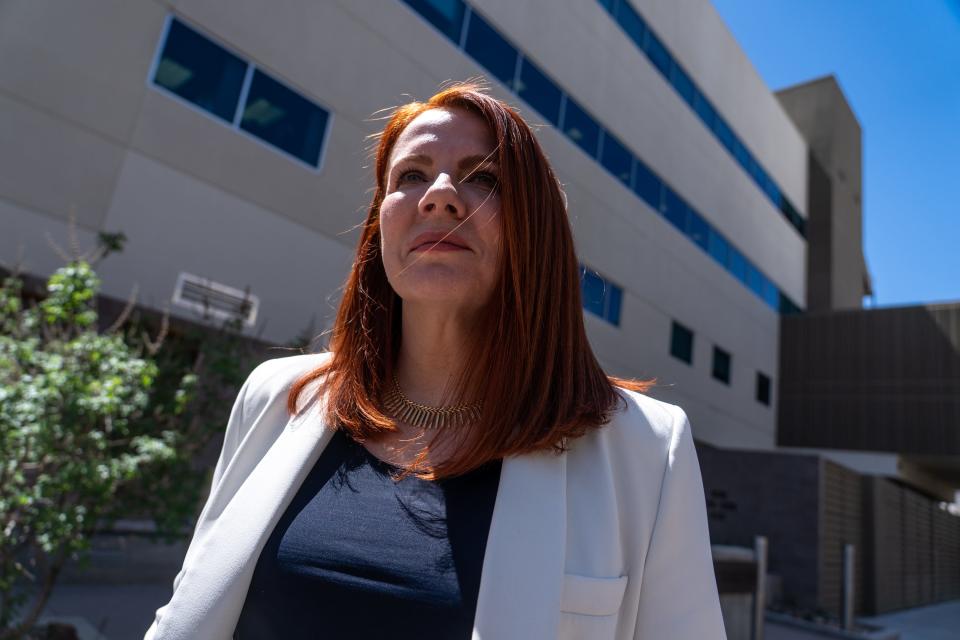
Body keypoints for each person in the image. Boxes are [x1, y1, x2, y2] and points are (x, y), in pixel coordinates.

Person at [144, 82, 726, 640]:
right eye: (412, 175)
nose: (440, 194)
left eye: (484, 178)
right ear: (380, 225)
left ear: (535, 232)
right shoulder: (277, 397)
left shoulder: (646, 448)